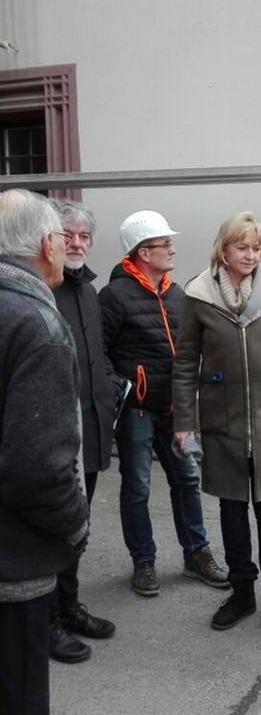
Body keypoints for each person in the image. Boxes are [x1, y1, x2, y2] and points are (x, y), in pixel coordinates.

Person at [172, 211, 261, 643]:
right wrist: (185, 421)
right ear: (224, 249)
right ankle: (242, 595)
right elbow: (185, 362)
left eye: (257, 248)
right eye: (242, 247)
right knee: (232, 514)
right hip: (223, 423)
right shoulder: (199, 295)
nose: (251, 255)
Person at [0, 190, 89, 715]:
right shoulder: (35, 321)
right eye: (61, 235)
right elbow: (38, 468)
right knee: (17, 706)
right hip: (14, 563)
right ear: (46, 245)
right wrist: (75, 527)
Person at [98, 209, 228, 597]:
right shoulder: (114, 297)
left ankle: (196, 555)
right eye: (164, 244)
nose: (172, 249)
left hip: (177, 410)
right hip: (137, 412)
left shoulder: (176, 294)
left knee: (187, 481)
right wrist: (123, 387)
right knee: (137, 487)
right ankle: (144, 561)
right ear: (143, 252)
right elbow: (98, 352)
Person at [46, 198, 118, 664]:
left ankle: (69, 606)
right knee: (54, 529)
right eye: (67, 235)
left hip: (90, 428)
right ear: (50, 240)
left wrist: (110, 388)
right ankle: (48, 621)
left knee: (79, 524)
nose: (76, 243)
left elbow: (99, 352)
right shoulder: (42, 291)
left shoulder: (88, 291)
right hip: (55, 434)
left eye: (84, 236)